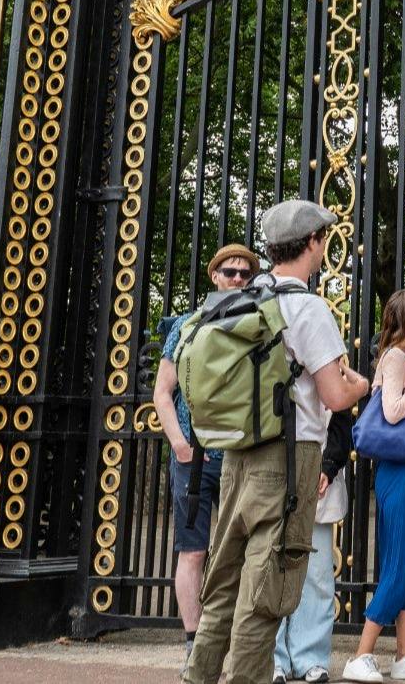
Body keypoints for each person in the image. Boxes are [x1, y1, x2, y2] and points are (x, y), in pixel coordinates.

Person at [183, 201, 373, 684]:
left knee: (222, 582)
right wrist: (361, 384)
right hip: (289, 459)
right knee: (268, 589)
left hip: (235, 455)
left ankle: (198, 677)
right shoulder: (307, 308)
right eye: (323, 239)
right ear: (312, 243)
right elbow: (334, 392)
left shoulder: (242, 299)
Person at [154, 244, 259, 658]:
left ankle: (234, 635)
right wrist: (179, 443)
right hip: (193, 458)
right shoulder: (185, 325)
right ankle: (194, 641)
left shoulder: (254, 324)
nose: (237, 279)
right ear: (214, 275)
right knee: (193, 549)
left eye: (244, 275)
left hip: (240, 454)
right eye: (230, 272)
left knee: (245, 548)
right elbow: (163, 392)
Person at [343, 289, 405, 682]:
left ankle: (404, 655)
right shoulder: (397, 357)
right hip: (399, 472)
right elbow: (393, 411)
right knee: (400, 563)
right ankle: (361, 656)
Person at [275, 408, 355, 684]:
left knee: (318, 575)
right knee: (273, 571)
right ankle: (272, 657)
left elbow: (342, 424)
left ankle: (310, 656)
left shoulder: (334, 368)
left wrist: (329, 466)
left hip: (320, 480)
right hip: (276, 474)